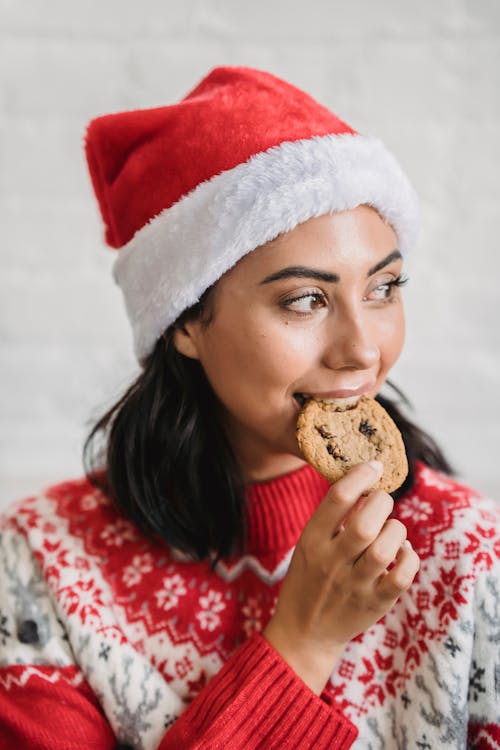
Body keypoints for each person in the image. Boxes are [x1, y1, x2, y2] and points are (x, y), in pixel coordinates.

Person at [0, 66, 498, 750]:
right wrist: (300, 645)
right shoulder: (40, 563)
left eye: (383, 288)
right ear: (186, 322)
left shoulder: (470, 553)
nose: (362, 349)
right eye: (305, 300)